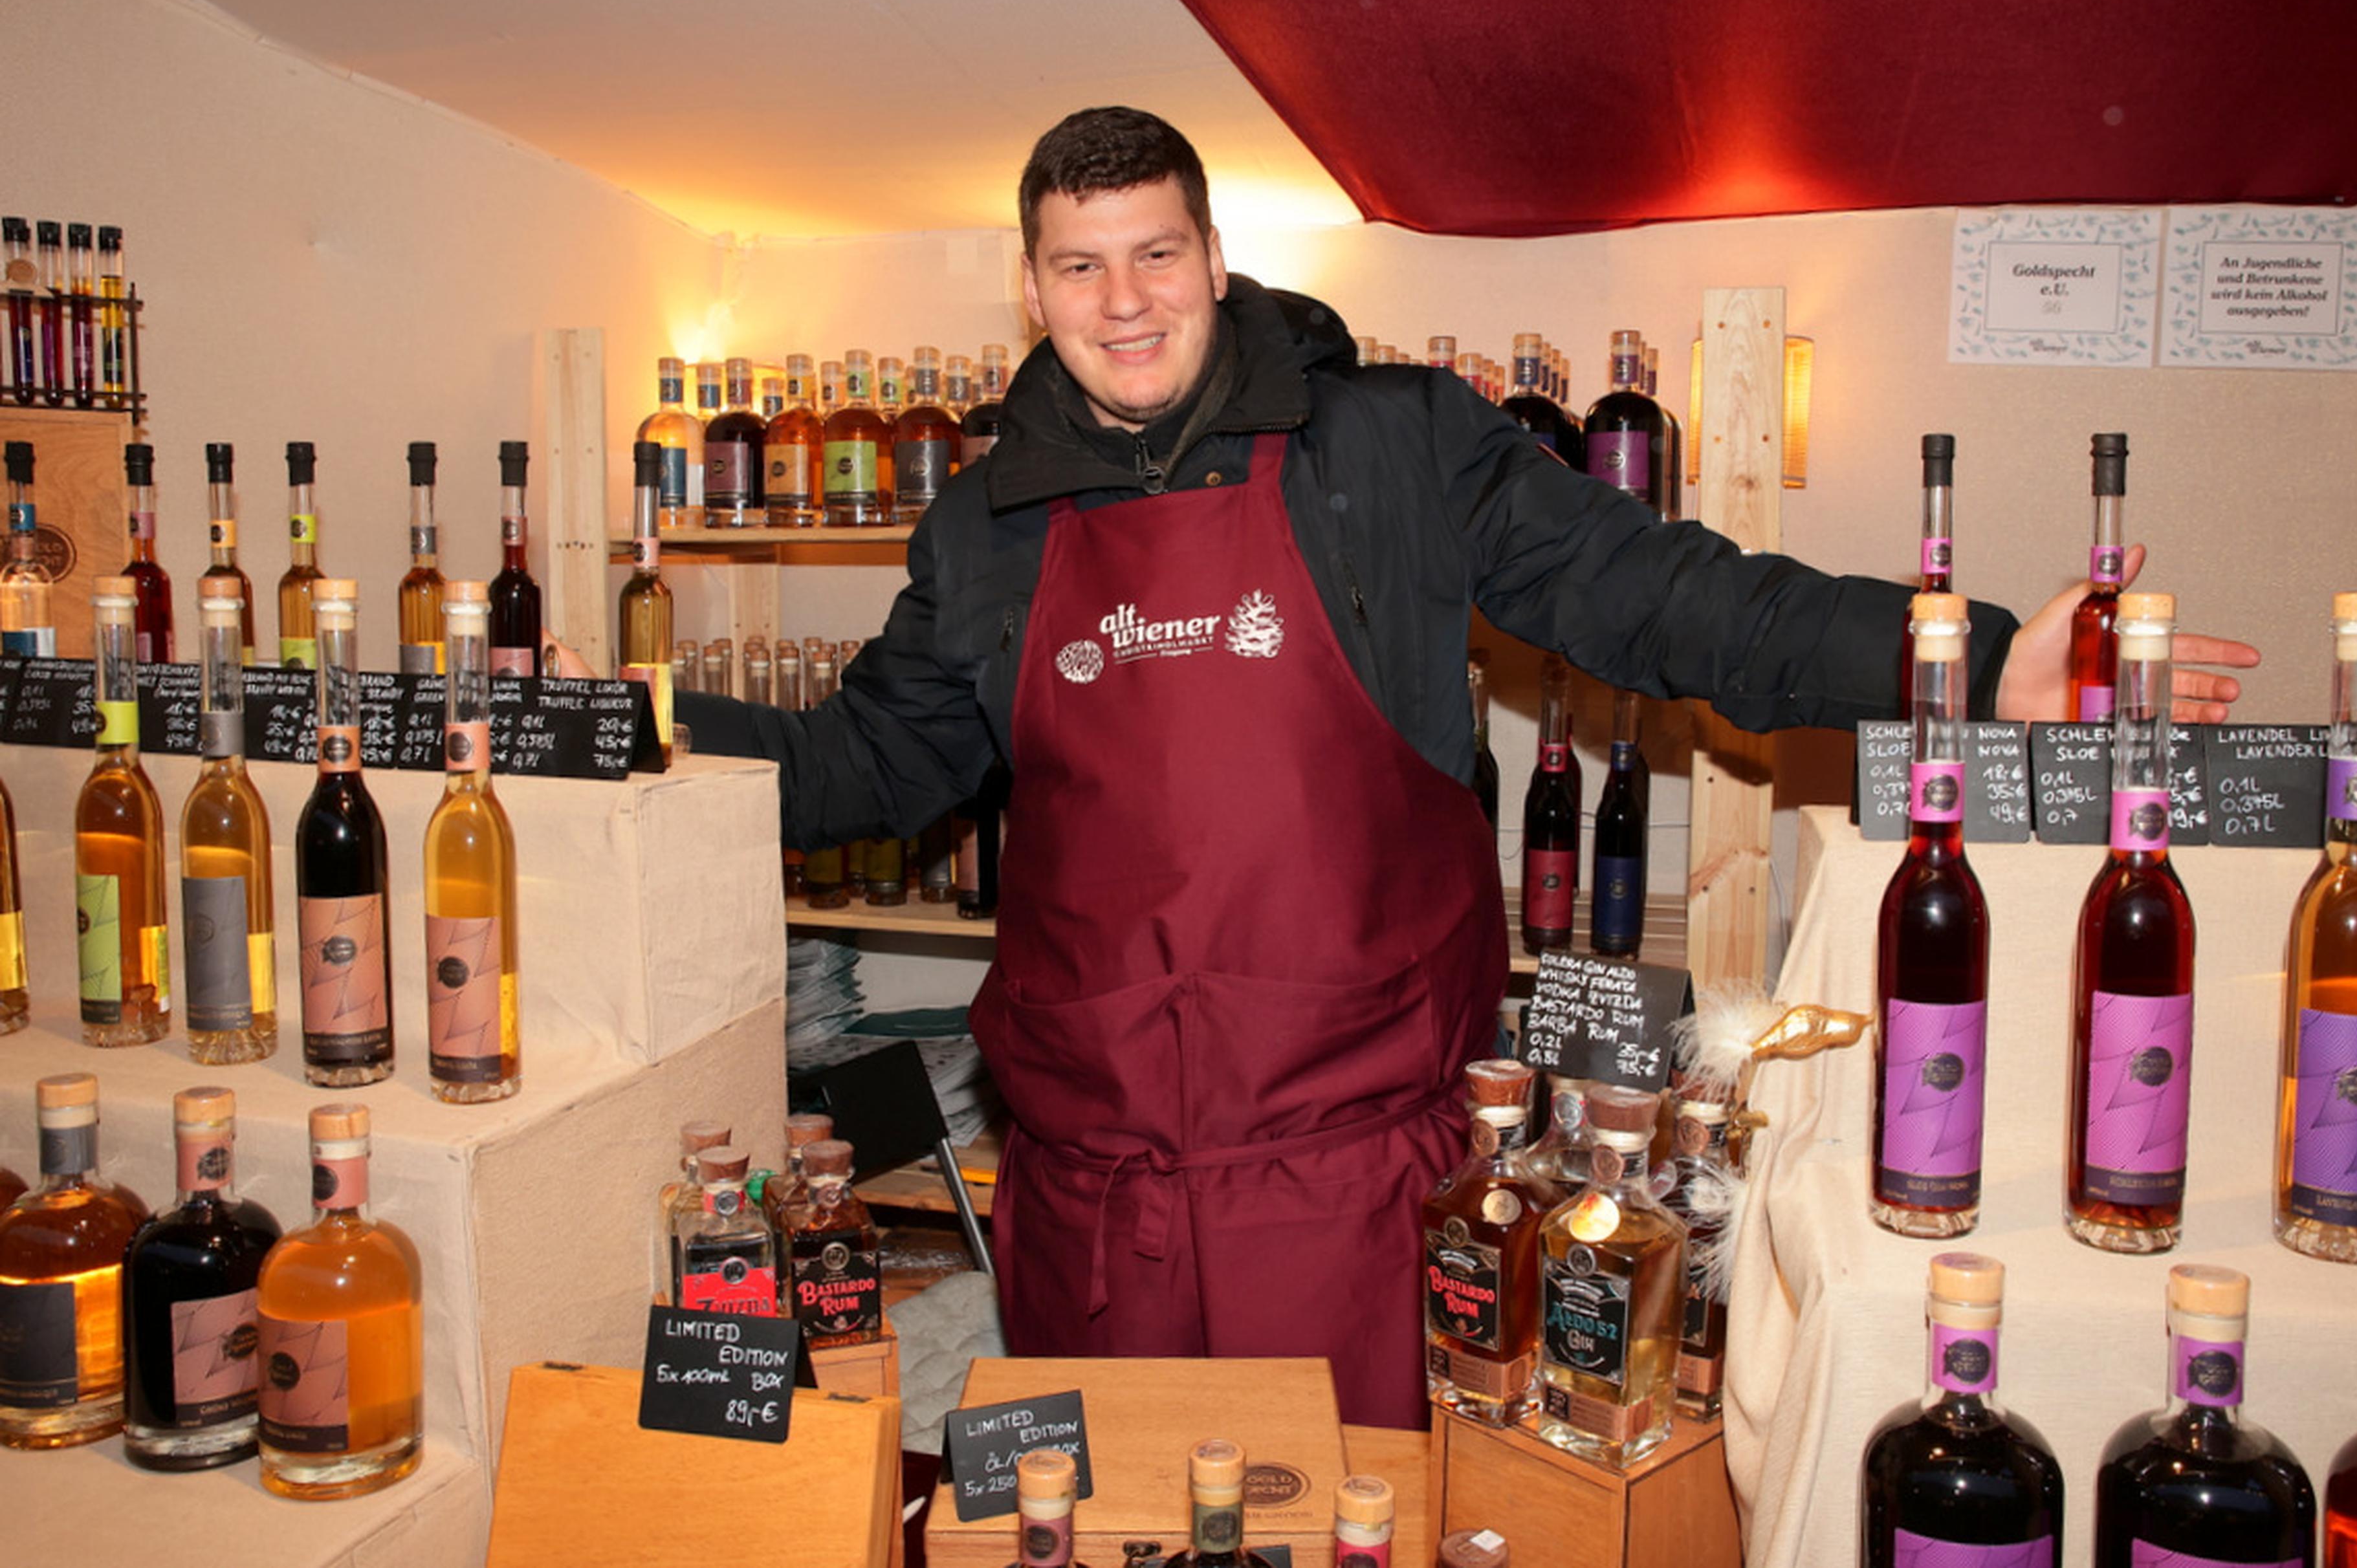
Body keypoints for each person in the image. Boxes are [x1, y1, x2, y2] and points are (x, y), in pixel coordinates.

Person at [676, 106, 2255, 1430]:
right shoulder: (983, 528)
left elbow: (1672, 598)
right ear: (1033, 290)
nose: (1127, 298)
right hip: (1097, 1200)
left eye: (1158, 252)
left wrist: (1967, 658)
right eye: (1082, 266)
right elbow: (863, 769)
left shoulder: (1397, 449)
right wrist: (643, 731)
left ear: (1215, 259)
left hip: (1356, 1184)